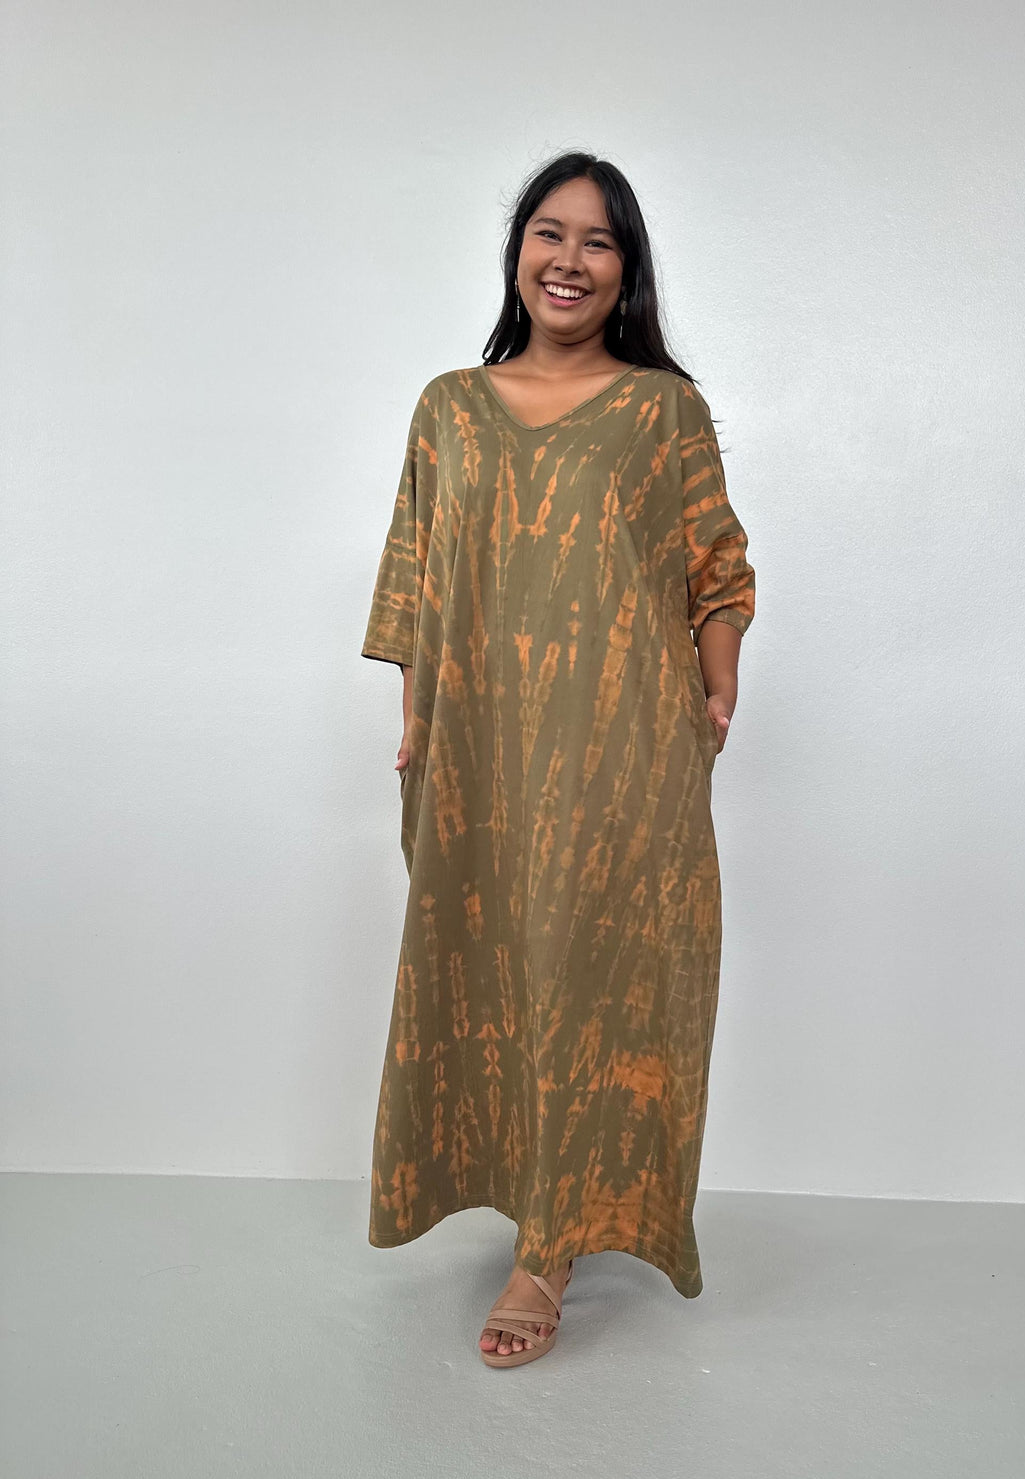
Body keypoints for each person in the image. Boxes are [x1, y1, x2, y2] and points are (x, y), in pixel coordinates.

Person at [361, 149, 756, 1368]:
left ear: (627, 270)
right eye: (549, 232)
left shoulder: (661, 410)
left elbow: (717, 570)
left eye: (598, 240)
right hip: (479, 754)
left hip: (620, 749)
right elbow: (417, 580)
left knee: (596, 978)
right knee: (488, 965)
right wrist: (419, 722)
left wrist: (716, 691)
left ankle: (552, 1245)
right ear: (518, 251)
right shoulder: (448, 406)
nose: (569, 259)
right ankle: (517, 1194)